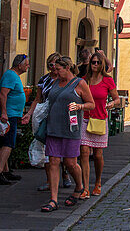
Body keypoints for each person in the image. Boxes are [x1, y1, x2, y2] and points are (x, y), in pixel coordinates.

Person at [40, 56, 95, 212]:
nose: (55, 71)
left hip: (71, 129)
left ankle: (79, 186)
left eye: (58, 69)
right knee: (54, 162)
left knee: (70, 163)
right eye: (54, 69)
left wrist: (79, 106)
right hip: (53, 128)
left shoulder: (80, 83)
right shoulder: (55, 82)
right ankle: (53, 199)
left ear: (67, 68)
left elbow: (91, 104)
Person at [21, 53, 72, 192]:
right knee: (47, 149)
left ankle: (65, 174)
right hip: (45, 117)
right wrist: (29, 114)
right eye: (50, 65)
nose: (53, 68)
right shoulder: (44, 80)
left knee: (62, 149)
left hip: (61, 117)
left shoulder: (65, 80)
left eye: (55, 64)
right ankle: (50, 180)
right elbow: (38, 99)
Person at [78, 52, 121, 197]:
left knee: (97, 155)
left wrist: (111, 104)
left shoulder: (107, 80)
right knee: (84, 152)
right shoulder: (84, 80)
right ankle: (85, 187)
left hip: (100, 119)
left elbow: (117, 100)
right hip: (86, 118)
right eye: (93, 62)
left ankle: (97, 182)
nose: (95, 65)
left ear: (102, 64)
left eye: (97, 62)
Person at [0, 54, 28, 185]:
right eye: (26, 64)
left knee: (5, 143)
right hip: (8, 116)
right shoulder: (10, 75)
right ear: (20, 65)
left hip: (12, 114)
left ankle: (5, 171)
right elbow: (3, 94)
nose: (28, 66)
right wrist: (4, 113)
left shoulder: (13, 76)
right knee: (8, 143)